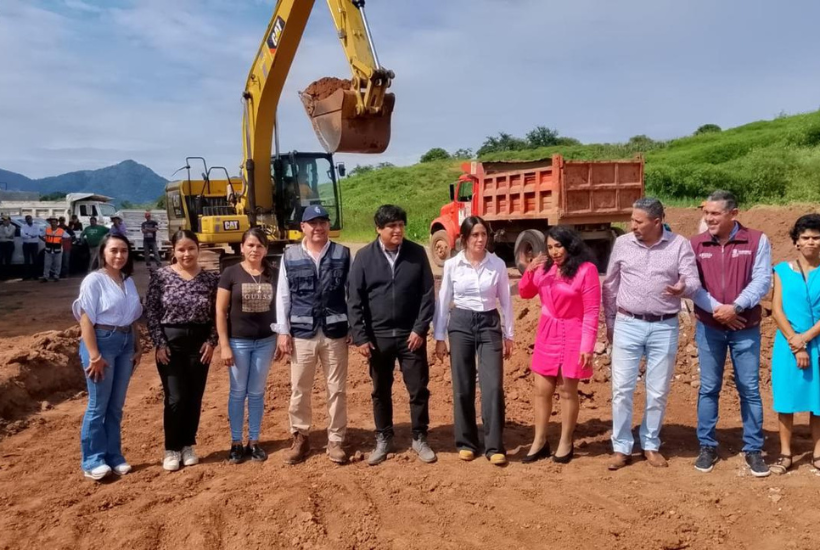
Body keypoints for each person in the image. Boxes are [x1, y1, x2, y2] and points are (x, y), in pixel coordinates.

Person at [602, 197, 700, 470]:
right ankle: (621, 447)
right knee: (622, 389)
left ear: (657, 222)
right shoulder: (622, 244)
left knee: (657, 391)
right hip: (627, 323)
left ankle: (650, 444)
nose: (632, 225)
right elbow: (610, 285)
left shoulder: (679, 245)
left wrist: (683, 288)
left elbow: (693, 281)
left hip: (664, 326)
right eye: (632, 220)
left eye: (638, 221)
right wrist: (610, 322)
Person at [690, 190, 772, 477]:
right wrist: (719, 310)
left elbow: (762, 279)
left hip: (745, 327)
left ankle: (752, 448)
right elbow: (693, 285)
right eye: (706, 213)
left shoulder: (757, 240)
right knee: (709, 387)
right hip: (710, 326)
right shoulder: (695, 244)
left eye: (715, 213)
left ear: (733, 214)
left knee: (749, 388)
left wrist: (736, 307)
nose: (708, 218)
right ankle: (707, 445)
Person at [348, 205, 436, 466]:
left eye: (400, 225)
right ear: (379, 229)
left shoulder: (416, 253)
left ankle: (419, 437)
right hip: (379, 337)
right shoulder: (364, 257)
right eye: (391, 226)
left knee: (418, 389)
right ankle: (384, 437)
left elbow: (428, 294)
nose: (397, 230)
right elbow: (354, 299)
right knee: (380, 390)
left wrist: (420, 328)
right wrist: (361, 336)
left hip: (412, 337)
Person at [433, 216, 513, 465]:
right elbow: (443, 300)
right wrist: (439, 336)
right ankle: (467, 442)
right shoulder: (452, 265)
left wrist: (509, 334)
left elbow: (506, 302)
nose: (480, 240)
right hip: (461, 324)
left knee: (492, 387)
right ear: (465, 239)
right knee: (463, 385)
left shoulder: (497, 264)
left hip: (489, 324)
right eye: (475, 235)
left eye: (483, 235)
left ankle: (494, 445)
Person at [275, 205, 351, 465]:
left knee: (337, 389)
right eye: (312, 223)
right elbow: (283, 295)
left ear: (329, 226)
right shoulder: (290, 256)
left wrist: (353, 326)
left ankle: (336, 440)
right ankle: (300, 436)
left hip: (335, 333)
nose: (318, 227)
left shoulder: (343, 254)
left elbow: (351, 294)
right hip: (302, 334)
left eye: (323, 222)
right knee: (299, 388)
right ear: (302, 228)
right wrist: (283, 332)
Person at [518, 226, 600, 464]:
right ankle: (540, 441)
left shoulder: (587, 270)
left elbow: (592, 311)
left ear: (570, 245)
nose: (554, 252)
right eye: (550, 247)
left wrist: (587, 346)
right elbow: (525, 293)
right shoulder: (545, 268)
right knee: (541, 390)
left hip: (573, 333)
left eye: (558, 246)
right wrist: (529, 271)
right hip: (547, 332)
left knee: (566, 390)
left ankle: (566, 441)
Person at [146, 230, 219, 472]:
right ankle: (171, 448)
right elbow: (153, 313)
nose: (186, 254)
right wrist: (159, 343)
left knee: (194, 397)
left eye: (191, 248)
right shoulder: (161, 277)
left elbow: (217, 315)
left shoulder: (210, 280)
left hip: (199, 346)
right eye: (181, 249)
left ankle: (188, 444)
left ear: (198, 249)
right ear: (173, 251)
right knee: (175, 398)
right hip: (171, 345)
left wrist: (211, 341)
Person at [72, 233, 143, 481]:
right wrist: (94, 355)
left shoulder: (128, 281)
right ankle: (93, 460)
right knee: (97, 405)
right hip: (101, 343)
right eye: (114, 250)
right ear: (103, 252)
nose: (119, 256)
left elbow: (133, 318)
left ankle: (114, 456)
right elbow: (85, 320)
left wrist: (138, 345)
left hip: (125, 345)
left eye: (123, 251)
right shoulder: (94, 281)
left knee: (116, 406)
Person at [216, 227, 278, 464]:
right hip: (238, 343)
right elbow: (221, 311)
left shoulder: (272, 273)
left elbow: (281, 307)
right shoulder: (230, 273)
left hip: (265, 342)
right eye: (250, 245)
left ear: (266, 249)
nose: (255, 249)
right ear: (242, 247)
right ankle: (235, 443)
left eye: (259, 245)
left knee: (256, 392)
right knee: (237, 392)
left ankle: (254, 442)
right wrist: (224, 345)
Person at [769, 213, 820, 474]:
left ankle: (818, 453)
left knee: (818, 402)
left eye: (816, 237)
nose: (811, 242)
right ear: (796, 241)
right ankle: (786, 454)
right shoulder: (780, 271)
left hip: (817, 343)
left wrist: (806, 339)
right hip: (788, 346)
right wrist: (796, 343)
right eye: (805, 237)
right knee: (786, 400)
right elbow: (777, 310)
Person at [41, 216, 65, 282]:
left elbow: (68, 237)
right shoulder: (47, 230)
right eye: (51, 222)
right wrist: (45, 240)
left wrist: (62, 241)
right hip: (48, 249)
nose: (53, 223)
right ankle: (45, 277)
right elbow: (40, 235)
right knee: (47, 264)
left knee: (58, 264)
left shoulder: (61, 230)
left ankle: (56, 276)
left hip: (58, 249)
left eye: (54, 222)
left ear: (57, 223)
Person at [20, 214, 40, 280]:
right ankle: (27, 275)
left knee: (35, 259)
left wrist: (27, 234)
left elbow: (37, 233)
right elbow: (22, 234)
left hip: (34, 244)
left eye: (30, 218)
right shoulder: (23, 226)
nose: (29, 220)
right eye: (27, 219)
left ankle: (35, 275)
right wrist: (30, 236)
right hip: (26, 244)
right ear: (26, 220)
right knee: (26, 260)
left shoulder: (36, 226)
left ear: (32, 219)